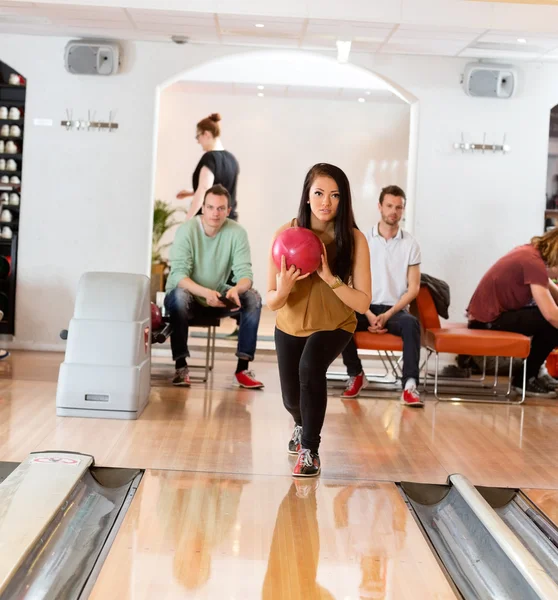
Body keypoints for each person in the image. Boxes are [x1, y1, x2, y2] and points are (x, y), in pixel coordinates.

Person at [267, 163, 371, 477]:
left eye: (335, 195)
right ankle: (301, 423)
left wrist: (331, 279)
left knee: (310, 369)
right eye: (319, 193)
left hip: (335, 324)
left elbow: (363, 302)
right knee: (291, 398)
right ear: (308, 196)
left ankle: (310, 449)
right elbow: (272, 300)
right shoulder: (285, 234)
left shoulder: (354, 239)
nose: (326, 202)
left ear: (344, 200)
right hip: (290, 324)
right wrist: (284, 287)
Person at [164, 184, 263, 389]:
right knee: (179, 297)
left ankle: (242, 368)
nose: (215, 213)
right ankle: (181, 366)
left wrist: (237, 289)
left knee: (252, 297)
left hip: (218, 294)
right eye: (210, 207)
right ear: (203, 208)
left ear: (228, 210)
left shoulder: (237, 232)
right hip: (187, 296)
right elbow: (179, 275)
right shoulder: (187, 230)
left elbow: (246, 274)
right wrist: (205, 292)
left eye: (220, 208)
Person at [341, 185, 423, 407]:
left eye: (398, 207)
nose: (393, 211)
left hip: (393, 310)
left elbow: (413, 288)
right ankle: (356, 374)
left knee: (412, 324)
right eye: (389, 206)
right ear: (380, 207)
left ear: (403, 210)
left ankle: (410, 386)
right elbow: (350, 281)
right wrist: (367, 313)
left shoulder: (410, 244)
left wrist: (387, 315)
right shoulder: (362, 239)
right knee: (340, 319)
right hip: (364, 307)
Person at [467, 228, 558, 398]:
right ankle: (524, 381)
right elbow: (551, 314)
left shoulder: (531, 253)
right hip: (488, 321)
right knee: (550, 323)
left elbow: (553, 293)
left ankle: (533, 375)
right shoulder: (533, 262)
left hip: (488, 317)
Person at [177, 113, 240, 221]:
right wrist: (192, 192)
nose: (198, 141)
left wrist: (188, 220)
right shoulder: (232, 159)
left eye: (198, 136)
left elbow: (204, 189)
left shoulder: (210, 158)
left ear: (206, 134)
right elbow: (220, 188)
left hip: (211, 224)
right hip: (229, 222)